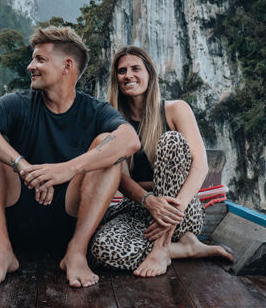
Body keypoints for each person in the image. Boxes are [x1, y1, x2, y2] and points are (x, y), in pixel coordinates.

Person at [0, 26, 141, 288]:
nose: (30, 66)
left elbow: (130, 140)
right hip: (18, 209)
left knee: (107, 147)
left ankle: (76, 252)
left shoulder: (95, 110)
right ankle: (2, 250)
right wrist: (23, 166)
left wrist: (67, 170)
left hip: (70, 216)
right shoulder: (19, 103)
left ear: (66, 66)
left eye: (40, 59)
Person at [90, 46, 232, 277]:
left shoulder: (176, 110)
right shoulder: (115, 123)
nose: (128, 75)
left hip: (183, 211)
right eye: (122, 70)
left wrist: (175, 210)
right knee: (102, 250)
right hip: (141, 208)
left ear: (149, 74)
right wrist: (150, 201)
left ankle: (162, 248)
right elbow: (121, 179)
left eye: (135, 68)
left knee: (172, 141)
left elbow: (200, 166)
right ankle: (186, 248)